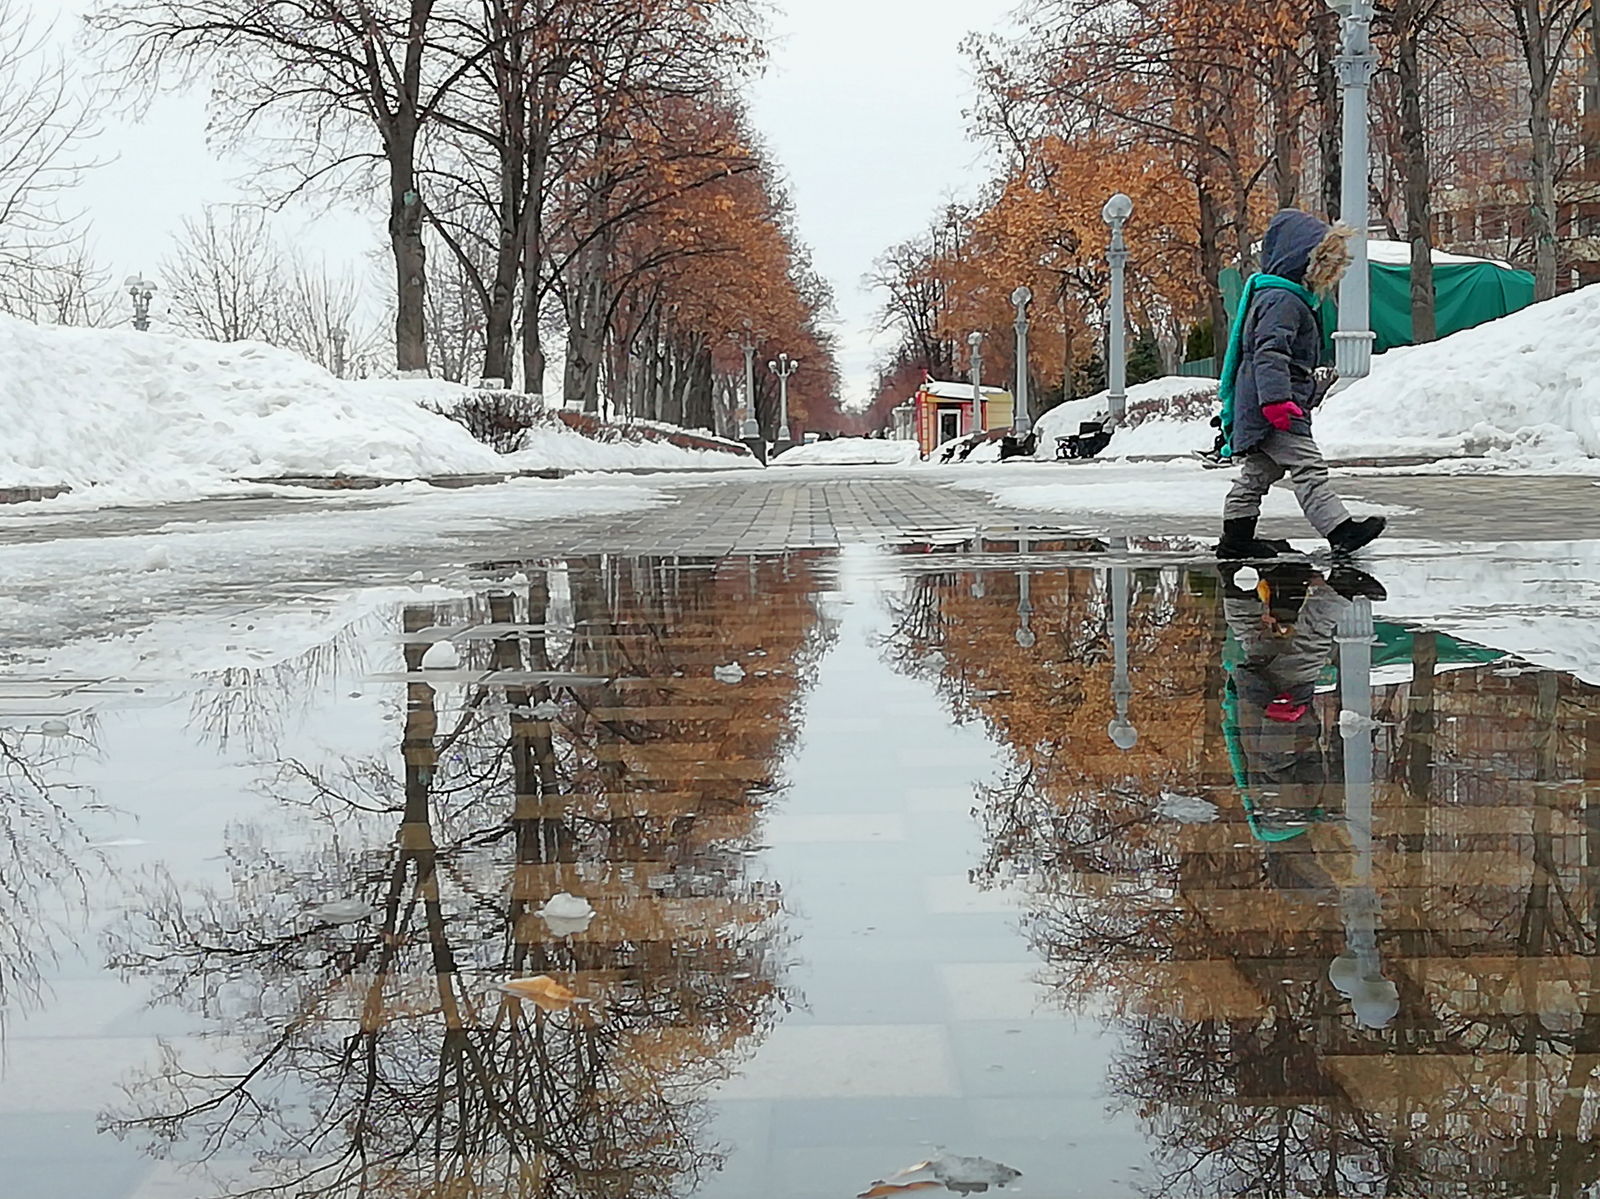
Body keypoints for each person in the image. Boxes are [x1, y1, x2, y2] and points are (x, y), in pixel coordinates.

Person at [1214, 209, 1386, 560]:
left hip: (1269, 404)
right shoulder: (1283, 300)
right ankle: (1340, 531)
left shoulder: (1279, 296)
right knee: (1308, 467)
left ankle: (1237, 538)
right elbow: (1270, 353)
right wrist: (1276, 401)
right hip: (1275, 407)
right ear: (1301, 259)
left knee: (1258, 473)